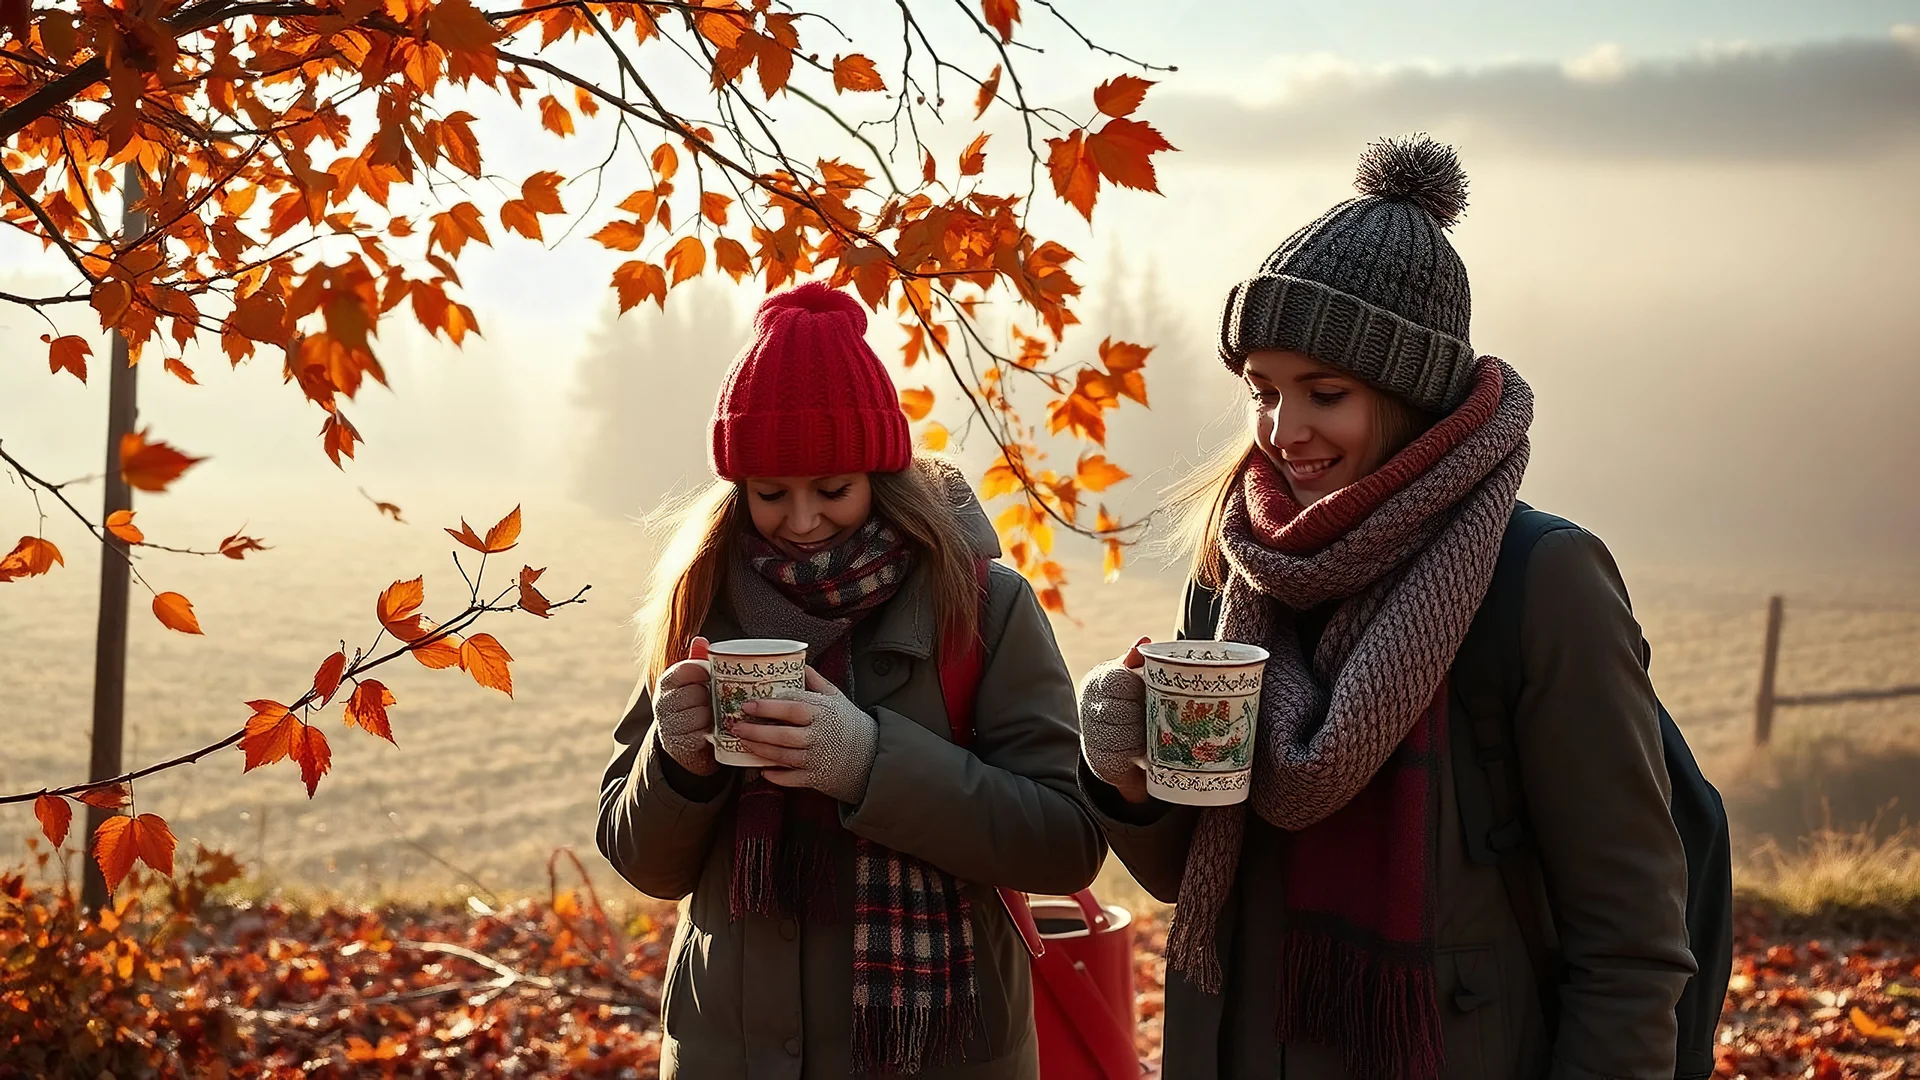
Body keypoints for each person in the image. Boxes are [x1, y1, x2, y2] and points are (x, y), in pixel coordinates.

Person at [1076, 135, 1697, 1079]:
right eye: (1263, 391)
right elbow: (1196, 871)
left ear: (1409, 395)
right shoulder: (1238, 567)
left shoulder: (1541, 579)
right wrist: (1127, 776)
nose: (1284, 433)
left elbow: (1631, 939)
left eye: (1325, 393)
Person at [598, 281, 1102, 1079]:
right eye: (770, 494)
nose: (800, 521)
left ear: (882, 472)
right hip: (731, 1055)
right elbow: (643, 864)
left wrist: (871, 763)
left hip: (942, 1054)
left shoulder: (981, 603)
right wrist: (676, 763)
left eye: (831, 489)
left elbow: (1066, 841)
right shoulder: (702, 602)